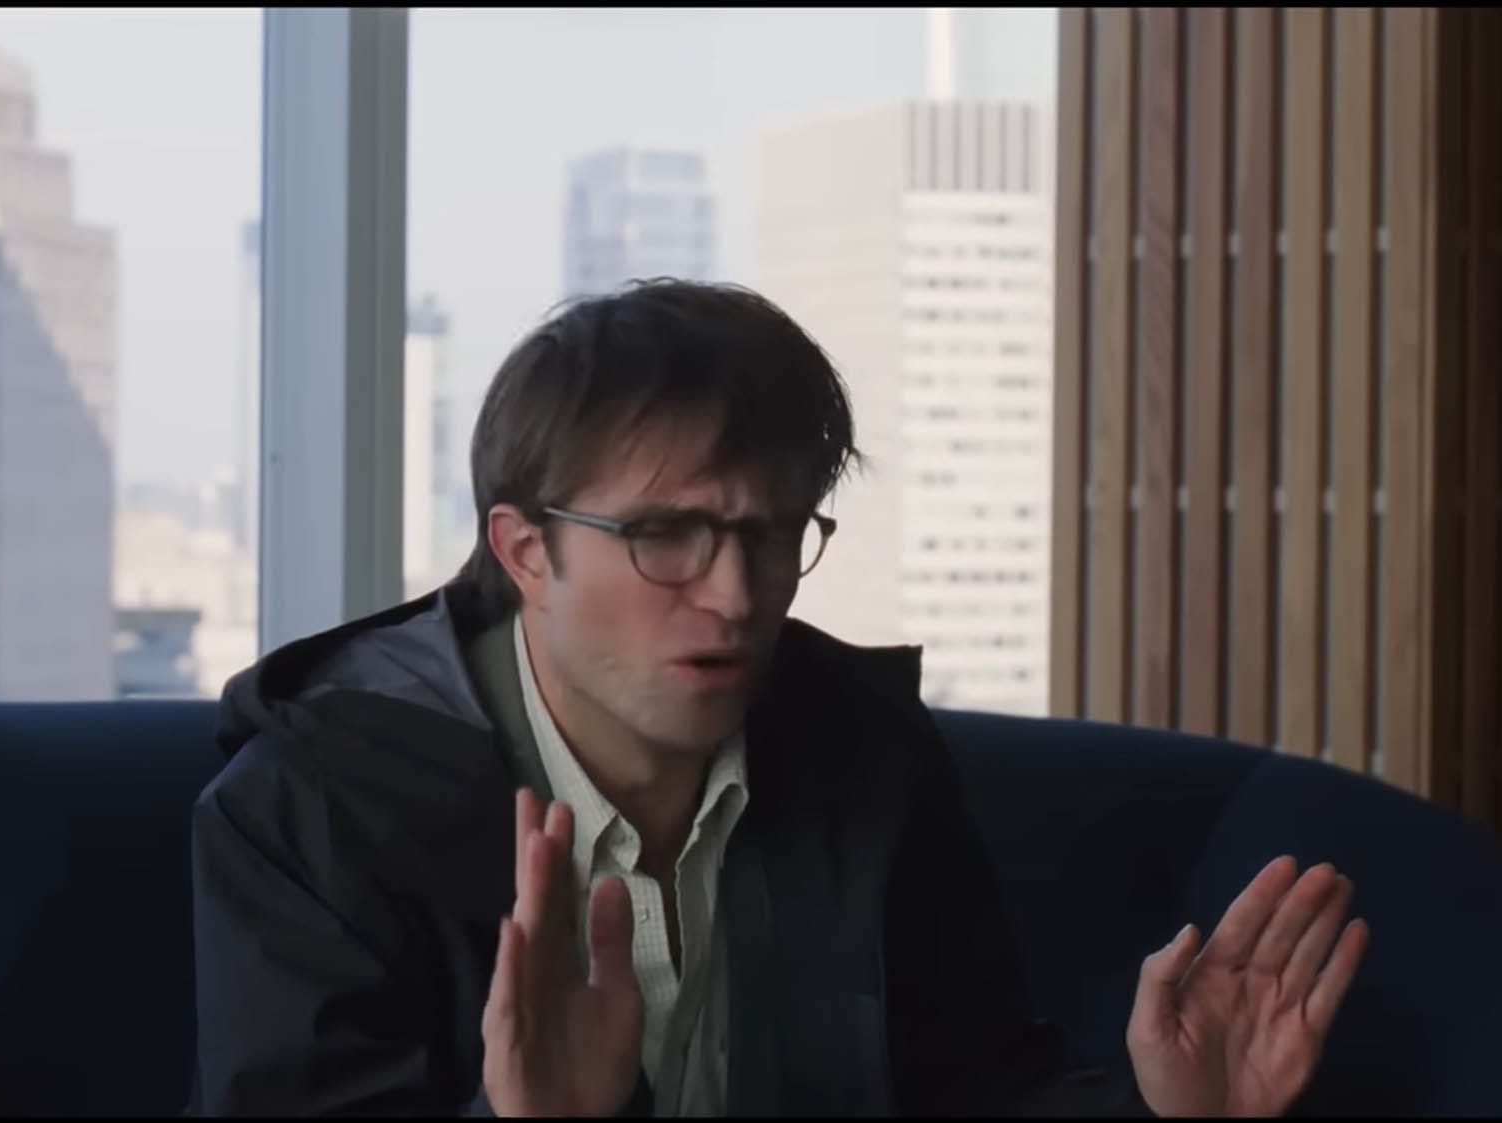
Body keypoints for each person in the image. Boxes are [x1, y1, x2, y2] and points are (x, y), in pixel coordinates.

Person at [189, 279, 1369, 1116]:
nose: (734, 592)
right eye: (665, 535)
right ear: (526, 552)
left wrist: (1162, 1113)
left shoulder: (859, 747)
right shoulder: (316, 803)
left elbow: (970, 1088)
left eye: (770, 533)